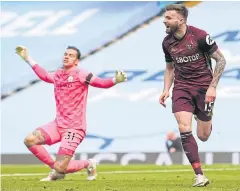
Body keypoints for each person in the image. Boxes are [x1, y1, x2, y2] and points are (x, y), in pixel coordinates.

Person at [15, 45, 127, 181]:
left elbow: (100, 82)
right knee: (30, 140)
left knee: (60, 167)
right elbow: (44, 75)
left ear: (76, 61)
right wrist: (28, 58)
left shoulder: (82, 74)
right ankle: (56, 169)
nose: (67, 56)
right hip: (58, 124)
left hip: (75, 128)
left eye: (71, 55)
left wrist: (115, 80)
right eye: (65, 54)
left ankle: (87, 163)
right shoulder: (58, 74)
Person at [159, 4, 226, 187]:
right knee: (183, 127)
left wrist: (213, 87)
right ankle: (199, 175)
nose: (165, 21)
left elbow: (221, 60)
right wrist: (166, 89)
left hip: (204, 88)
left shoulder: (200, 36)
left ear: (181, 20)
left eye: (169, 18)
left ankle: (202, 116)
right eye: (165, 17)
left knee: (203, 136)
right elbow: (169, 68)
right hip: (182, 88)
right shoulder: (167, 42)